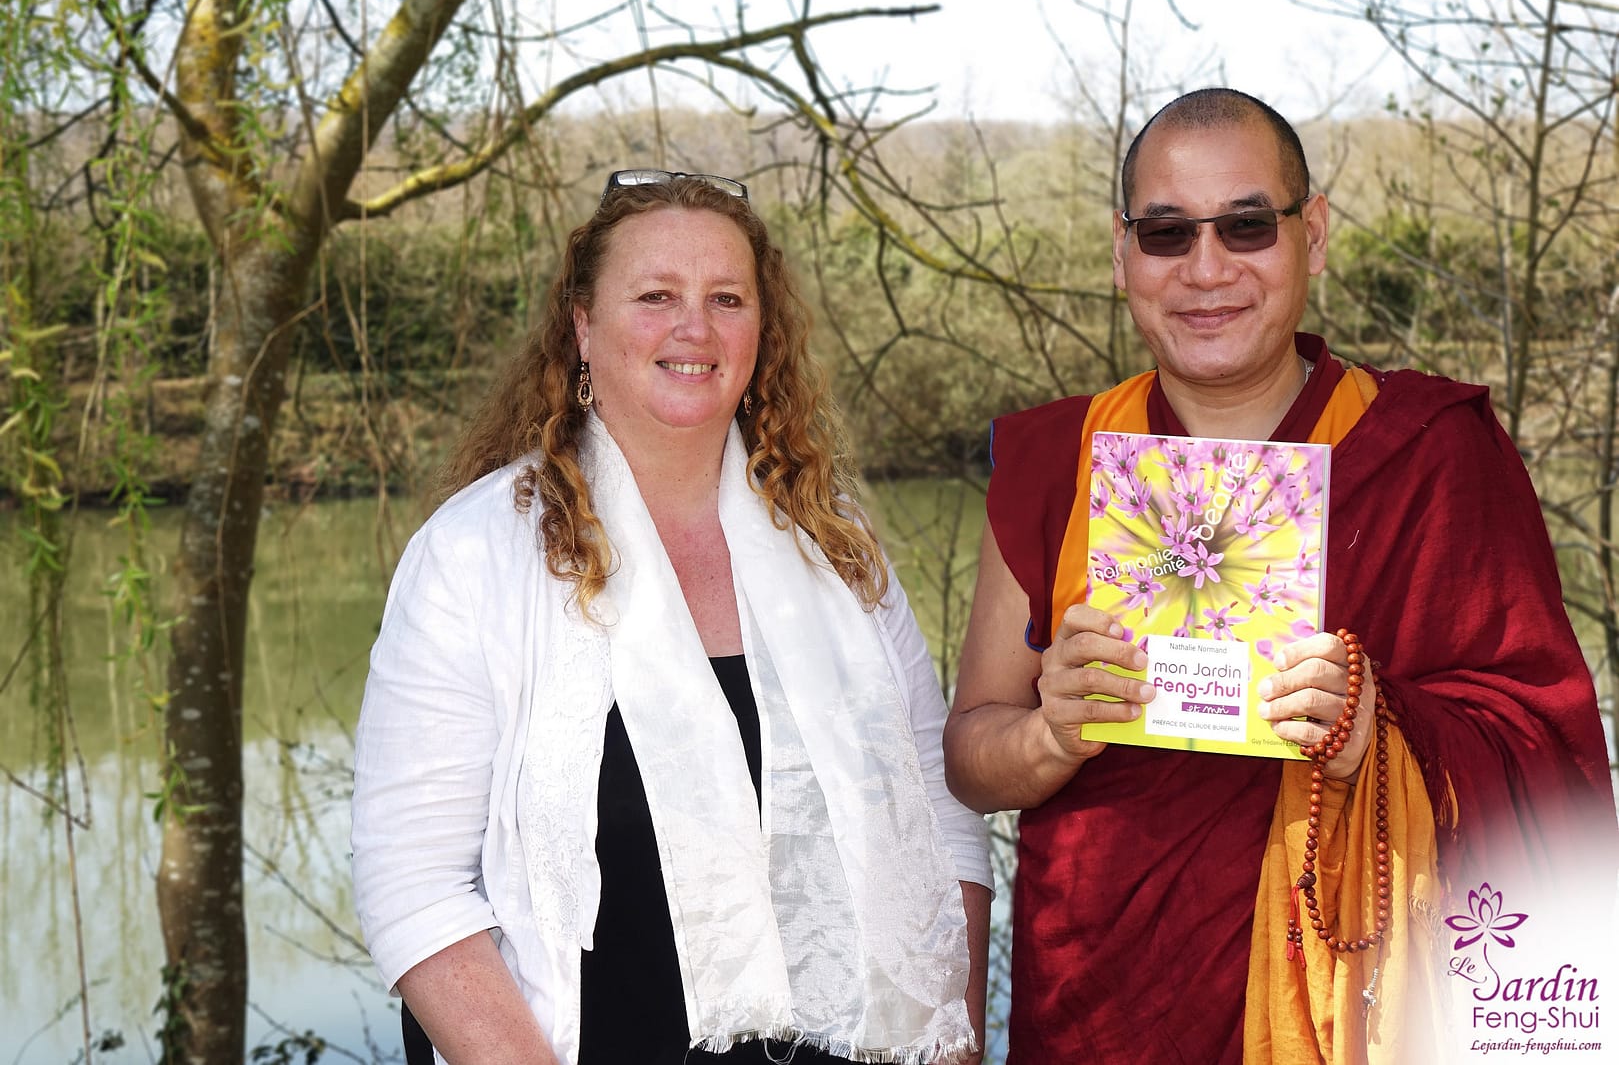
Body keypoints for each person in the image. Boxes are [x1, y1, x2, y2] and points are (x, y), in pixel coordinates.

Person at [943, 89, 1616, 1064]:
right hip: (1099, 1007)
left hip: (1356, 1010)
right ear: (1121, 253)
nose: (1206, 269)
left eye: (1246, 225)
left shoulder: (1427, 452)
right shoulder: (1062, 456)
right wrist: (1049, 733)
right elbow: (969, 755)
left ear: (1314, 233)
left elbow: (1545, 757)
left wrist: (1377, 731)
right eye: (1166, 232)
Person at [352, 170, 991, 1065]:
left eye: (725, 298)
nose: (694, 327)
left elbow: (941, 817)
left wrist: (953, 1040)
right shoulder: (476, 553)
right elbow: (412, 887)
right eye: (655, 295)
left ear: (760, 330)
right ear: (582, 324)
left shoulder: (835, 543)